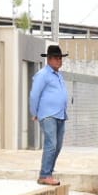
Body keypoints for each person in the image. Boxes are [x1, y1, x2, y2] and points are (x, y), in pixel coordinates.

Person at [30, 44, 70, 185]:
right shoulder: (42, 75)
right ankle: (45, 174)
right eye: (56, 58)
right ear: (49, 59)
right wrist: (34, 112)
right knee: (51, 144)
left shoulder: (58, 75)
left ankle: (49, 173)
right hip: (48, 115)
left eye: (60, 58)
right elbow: (34, 95)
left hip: (60, 114)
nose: (59, 61)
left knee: (57, 146)